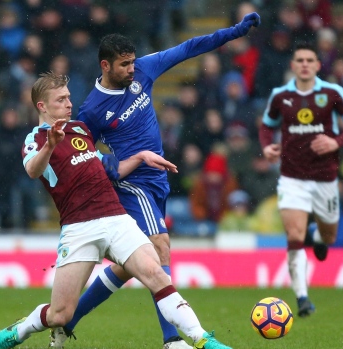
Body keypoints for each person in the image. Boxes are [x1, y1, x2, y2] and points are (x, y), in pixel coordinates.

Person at [51, 12, 261, 349]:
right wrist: (118, 165)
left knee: (130, 267)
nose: (132, 69)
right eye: (124, 65)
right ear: (105, 66)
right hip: (132, 184)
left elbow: (190, 47)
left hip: (158, 179)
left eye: (133, 62)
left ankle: (68, 322)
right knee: (161, 247)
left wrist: (234, 33)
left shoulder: (145, 70)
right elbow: (84, 156)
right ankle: (172, 339)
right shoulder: (92, 110)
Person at [0, 72, 232, 349]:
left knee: (157, 275)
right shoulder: (36, 139)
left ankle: (202, 340)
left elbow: (108, 169)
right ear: (42, 106)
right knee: (60, 314)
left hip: (116, 218)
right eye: (61, 99)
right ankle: (20, 330)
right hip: (80, 227)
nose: (69, 103)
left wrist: (139, 157)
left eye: (68, 96)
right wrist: (50, 146)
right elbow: (33, 170)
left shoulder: (79, 129)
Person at [259, 42, 343, 317]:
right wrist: (267, 146)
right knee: (294, 235)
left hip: (325, 178)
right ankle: (302, 298)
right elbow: (266, 127)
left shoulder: (332, 93)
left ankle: (319, 237)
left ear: (317, 65)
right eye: (300, 60)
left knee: (329, 235)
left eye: (310, 60)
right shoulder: (281, 96)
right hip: (292, 177)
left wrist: (334, 142)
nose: (304, 64)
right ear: (293, 66)